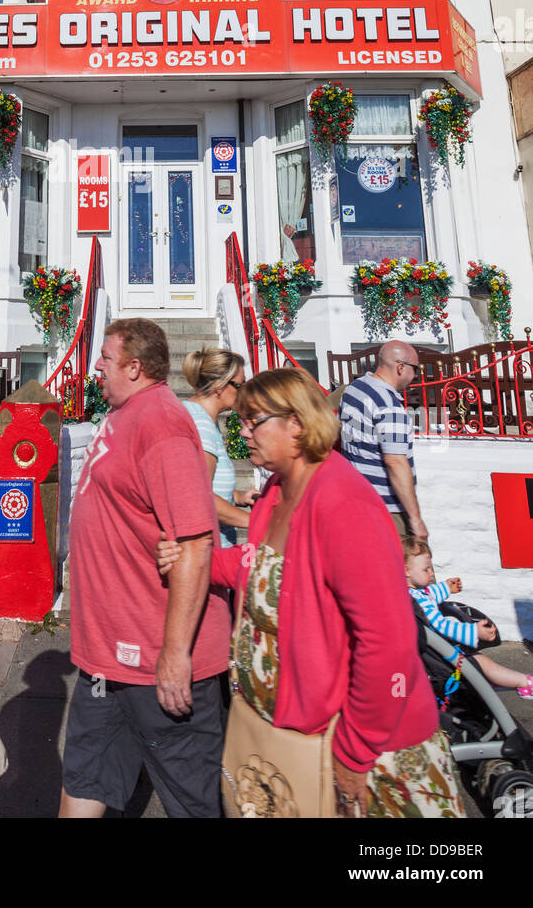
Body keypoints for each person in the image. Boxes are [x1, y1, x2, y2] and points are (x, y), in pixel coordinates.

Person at [158, 368, 465, 818]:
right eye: (240, 422)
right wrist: (193, 561)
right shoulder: (277, 492)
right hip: (290, 740)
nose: (243, 435)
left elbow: (386, 644)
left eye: (253, 422)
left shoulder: (343, 504)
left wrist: (355, 754)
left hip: (364, 754)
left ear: (296, 423)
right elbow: (259, 566)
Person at [60, 318, 231, 819]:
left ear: (135, 368)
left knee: (192, 801)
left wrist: (176, 654)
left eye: (106, 359)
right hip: (106, 658)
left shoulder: (162, 422)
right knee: (85, 779)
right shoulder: (123, 412)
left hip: (157, 660)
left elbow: (197, 542)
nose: (96, 366)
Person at [403, 538, 533, 697]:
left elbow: (430, 595)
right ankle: (525, 683)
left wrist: (445, 587)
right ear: (407, 571)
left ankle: (491, 680)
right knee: (482, 662)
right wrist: (473, 631)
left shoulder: (412, 595)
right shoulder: (419, 601)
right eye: (426, 570)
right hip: (442, 658)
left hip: (435, 655)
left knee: (482, 665)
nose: (431, 573)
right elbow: (441, 625)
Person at [339, 340, 427, 540]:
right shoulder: (389, 406)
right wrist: (415, 519)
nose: (415, 376)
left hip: (356, 499)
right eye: (415, 369)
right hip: (387, 509)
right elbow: (395, 462)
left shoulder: (355, 389)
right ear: (400, 367)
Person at [181, 347, 257, 546]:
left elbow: (201, 479)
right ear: (218, 386)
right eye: (239, 385)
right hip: (209, 552)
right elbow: (200, 496)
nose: (243, 391)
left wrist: (237, 498)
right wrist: (258, 522)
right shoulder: (201, 426)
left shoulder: (198, 416)